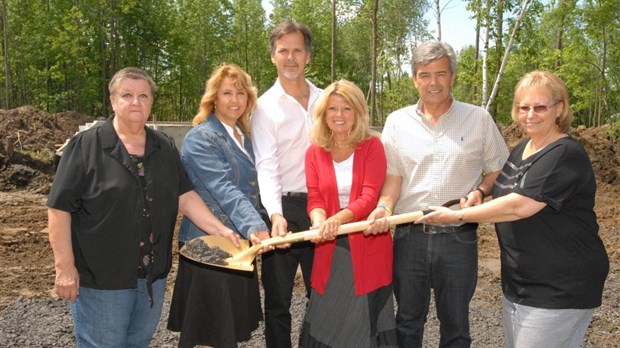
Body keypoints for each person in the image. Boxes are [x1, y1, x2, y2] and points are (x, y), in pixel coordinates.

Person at [47, 67, 239, 348]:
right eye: (127, 95)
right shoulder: (86, 146)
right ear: (113, 101)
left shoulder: (163, 147)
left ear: (151, 102)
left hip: (151, 278)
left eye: (143, 95)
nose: (136, 102)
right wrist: (64, 267)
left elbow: (184, 196)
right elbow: (59, 208)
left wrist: (220, 229)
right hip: (102, 279)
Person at [417, 70, 609, 348]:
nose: (530, 114)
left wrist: (458, 216)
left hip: (560, 285)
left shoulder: (564, 153)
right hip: (521, 283)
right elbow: (505, 184)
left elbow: (519, 205)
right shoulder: (523, 148)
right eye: (523, 107)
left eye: (540, 107)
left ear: (559, 108)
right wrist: (480, 191)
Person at [366, 41, 509, 348]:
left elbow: (498, 167)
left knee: (456, 324)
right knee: (407, 321)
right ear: (414, 78)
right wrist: (384, 208)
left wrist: (482, 191)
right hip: (409, 236)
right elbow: (393, 178)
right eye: (425, 74)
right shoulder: (397, 122)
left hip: (458, 235)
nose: (433, 82)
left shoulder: (478, 119)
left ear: (452, 76)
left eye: (441, 74)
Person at [166, 63, 271, 347]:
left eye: (240, 93)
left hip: (238, 245)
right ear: (213, 98)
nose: (234, 100)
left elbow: (256, 189)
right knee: (210, 332)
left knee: (228, 331)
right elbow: (223, 188)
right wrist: (256, 226)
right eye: (227, 93)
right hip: (208, 246)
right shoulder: (201, 138)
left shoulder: (246, 139)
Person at [298, 80, 397, 347]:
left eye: (346, 108)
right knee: (327, 316)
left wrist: (335, 220)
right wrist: (319, 221)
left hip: (366, 244)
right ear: (323, 113)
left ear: (358, 112)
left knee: (361, 323)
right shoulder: (314, 152)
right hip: (331, 247)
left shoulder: (372, 146)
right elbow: (315, 197)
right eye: (332, 108)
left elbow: (368, 198)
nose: (339, 115)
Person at [251, 19, 322, 348]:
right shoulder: (264, 108)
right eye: (283, 51)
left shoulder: (326, 101)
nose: (290, 58)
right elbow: (266, 164)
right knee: (277, 302)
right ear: (272, 56)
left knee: (321, 297)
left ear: (308, 55)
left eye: (297, 50)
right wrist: (275, 214)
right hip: (282, 209)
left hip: (322, 210)